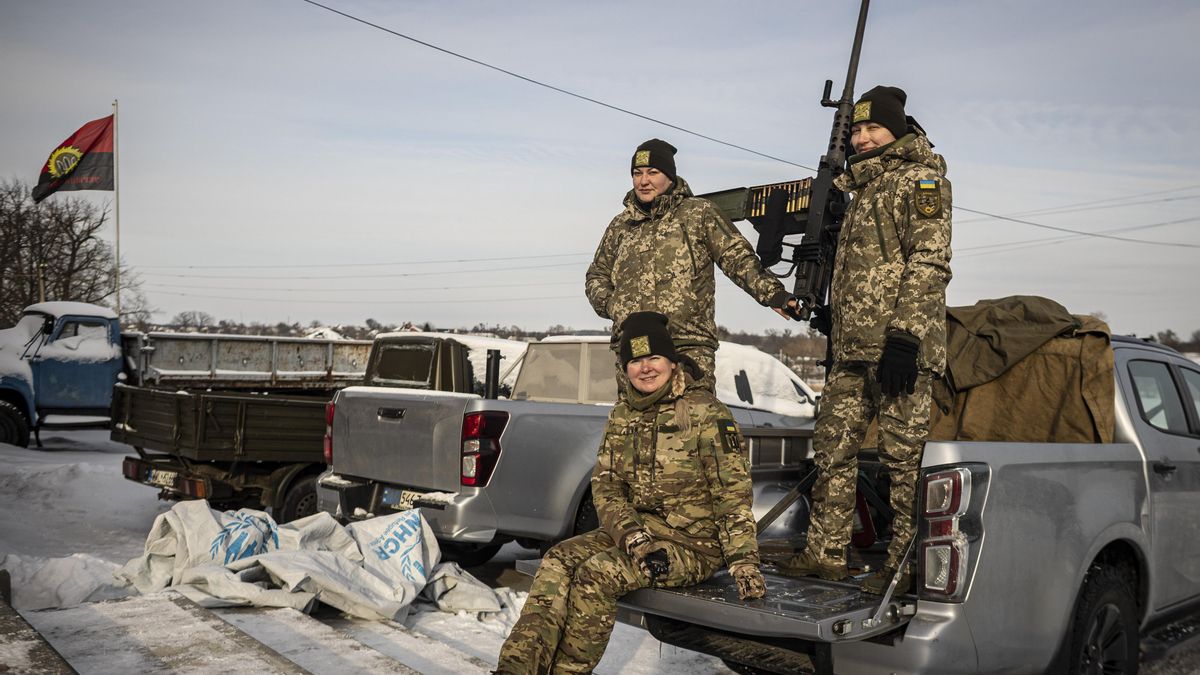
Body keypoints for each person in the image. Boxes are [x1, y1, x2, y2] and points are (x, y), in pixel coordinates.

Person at [495, 311, 766, 673]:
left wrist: (744, 562)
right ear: (626, 368)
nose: (646, 368)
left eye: (654, 357)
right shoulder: (623, 414)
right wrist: (634, 537)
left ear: (671, 361)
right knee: (558, 559)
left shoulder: (706, 413)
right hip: (637, 534)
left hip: (693, 545)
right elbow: (606, 486)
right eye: (636, 360)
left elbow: (732, 492)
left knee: (598, 574)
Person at [779, 86, 952, 595]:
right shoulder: (861, 190)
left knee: (903, 465)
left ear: (896, 130)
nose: (863, 137)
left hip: (900, 351)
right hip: (853, 350)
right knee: (833, 451)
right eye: (855, 130)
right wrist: (836, 313)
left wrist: (904, 337)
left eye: (872, 127)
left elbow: (929, 264)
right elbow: (864, 272)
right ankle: (826, 554)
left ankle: (905, 567)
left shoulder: (920, 181)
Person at [585, 138, 797, 394]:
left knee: (690, 425)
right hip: (635, 349)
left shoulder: (699, 214)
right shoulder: (620, 226)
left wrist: (772, 293)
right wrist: (613, 306)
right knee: (634, 427)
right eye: (637, 173)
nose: (643, 181)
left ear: (670, 176)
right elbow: (596, 275)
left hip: (686, 344)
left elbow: (736, 257)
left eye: (652, 172)